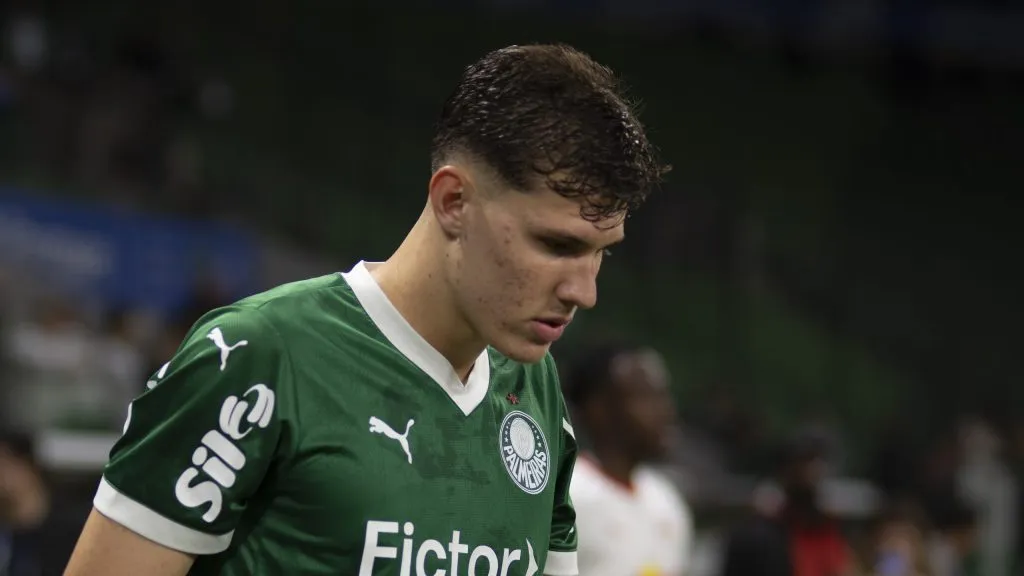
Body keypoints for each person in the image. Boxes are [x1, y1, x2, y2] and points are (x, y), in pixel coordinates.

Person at [63, 43, 667, 576]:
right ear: (454, 201)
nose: (584, 291)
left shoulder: (535, 392)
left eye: (601, 253)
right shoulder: (258, 358)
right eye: (557, 245)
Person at [562, 343, 694, 576]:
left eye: (663, 395)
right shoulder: (566, 496)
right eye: (646, 396)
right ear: (598, 409)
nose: (666, 410)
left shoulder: (667, 502)